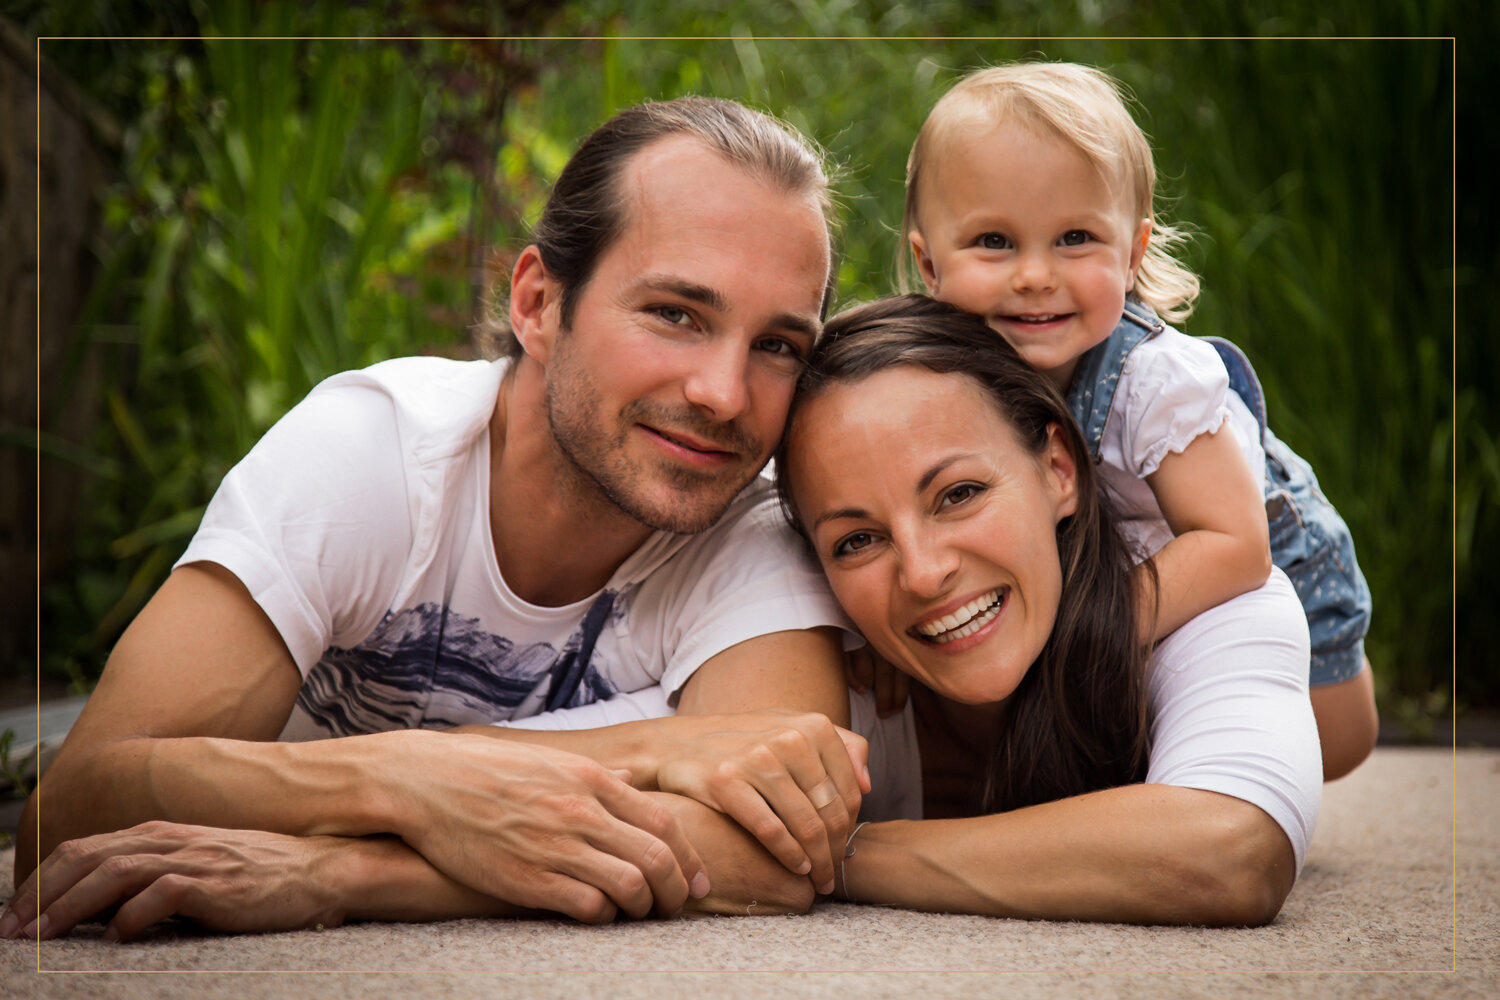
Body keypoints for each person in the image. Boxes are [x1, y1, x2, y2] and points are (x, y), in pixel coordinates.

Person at [1, 96, 872, 942]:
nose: (723, 395)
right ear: (537, 303)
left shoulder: (751, 526)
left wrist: (344, 874)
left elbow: (779, 854)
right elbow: (73, 808)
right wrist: (406, 776)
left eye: (777, 346)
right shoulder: (371, 455)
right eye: (675, 314)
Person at [894, 62, 1376, 780]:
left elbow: (1234, 544)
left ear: (1134, 252)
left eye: (1075, 238)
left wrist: (1087, 630)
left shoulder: (1154, 381)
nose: (1033, 274)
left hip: (1267, 572)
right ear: (929, 263)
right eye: (994, 242)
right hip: (1129, 581)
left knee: (1330, 742)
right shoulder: (937, 376)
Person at [778, 295, 1322, 923]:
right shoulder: (803, 645)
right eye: (857, 541)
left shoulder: (1211, 599)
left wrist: (839, 855)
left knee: (1340, 726)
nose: (925, 575)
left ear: (1059, 468)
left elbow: (1231, 852)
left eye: (959, 494)